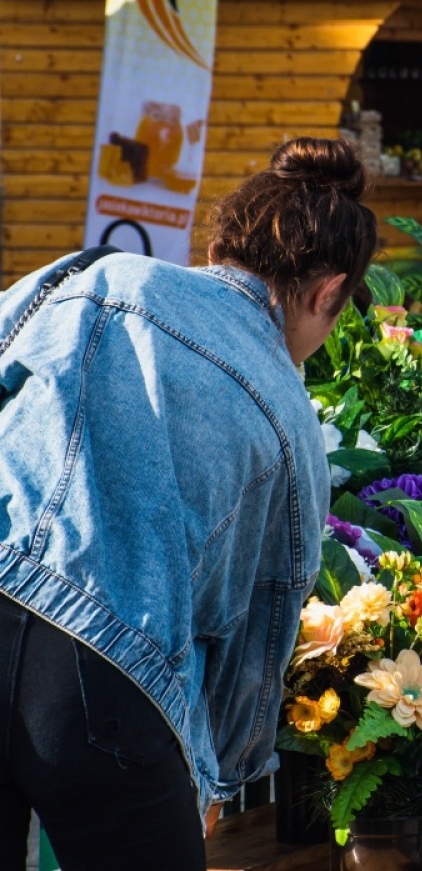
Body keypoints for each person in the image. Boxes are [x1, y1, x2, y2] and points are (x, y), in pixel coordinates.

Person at [0, 138, 376, 869]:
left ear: (217, 246)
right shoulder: (286, 412)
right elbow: (262, 626)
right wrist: (214, 773)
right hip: (97, 672)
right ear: (328, 290)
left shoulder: (89, 273)